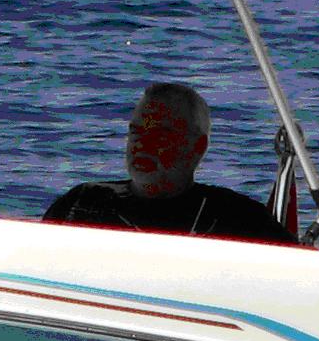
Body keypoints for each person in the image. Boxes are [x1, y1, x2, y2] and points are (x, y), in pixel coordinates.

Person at [41, 83, 296, 244]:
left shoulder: (239, 218)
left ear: (197, 147)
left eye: (160, 136)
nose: (142, 144)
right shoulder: (81, 203)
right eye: (136, 133)